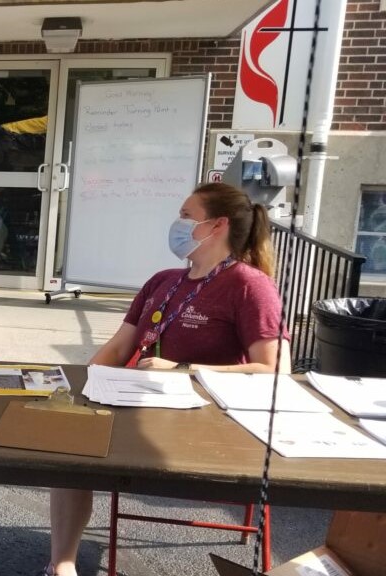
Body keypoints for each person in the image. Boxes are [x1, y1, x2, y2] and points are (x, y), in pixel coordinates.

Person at [42, 183, 291, 576]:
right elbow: (119, 346)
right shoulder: (164, 280)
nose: (177, 223)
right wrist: (82, 386)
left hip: (207, 424)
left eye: (186, 215)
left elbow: (274, 371)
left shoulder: (250, 285)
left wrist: (181, 371)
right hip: (142, 404)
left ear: (217, 225)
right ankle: (62, 564)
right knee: (69, 452)